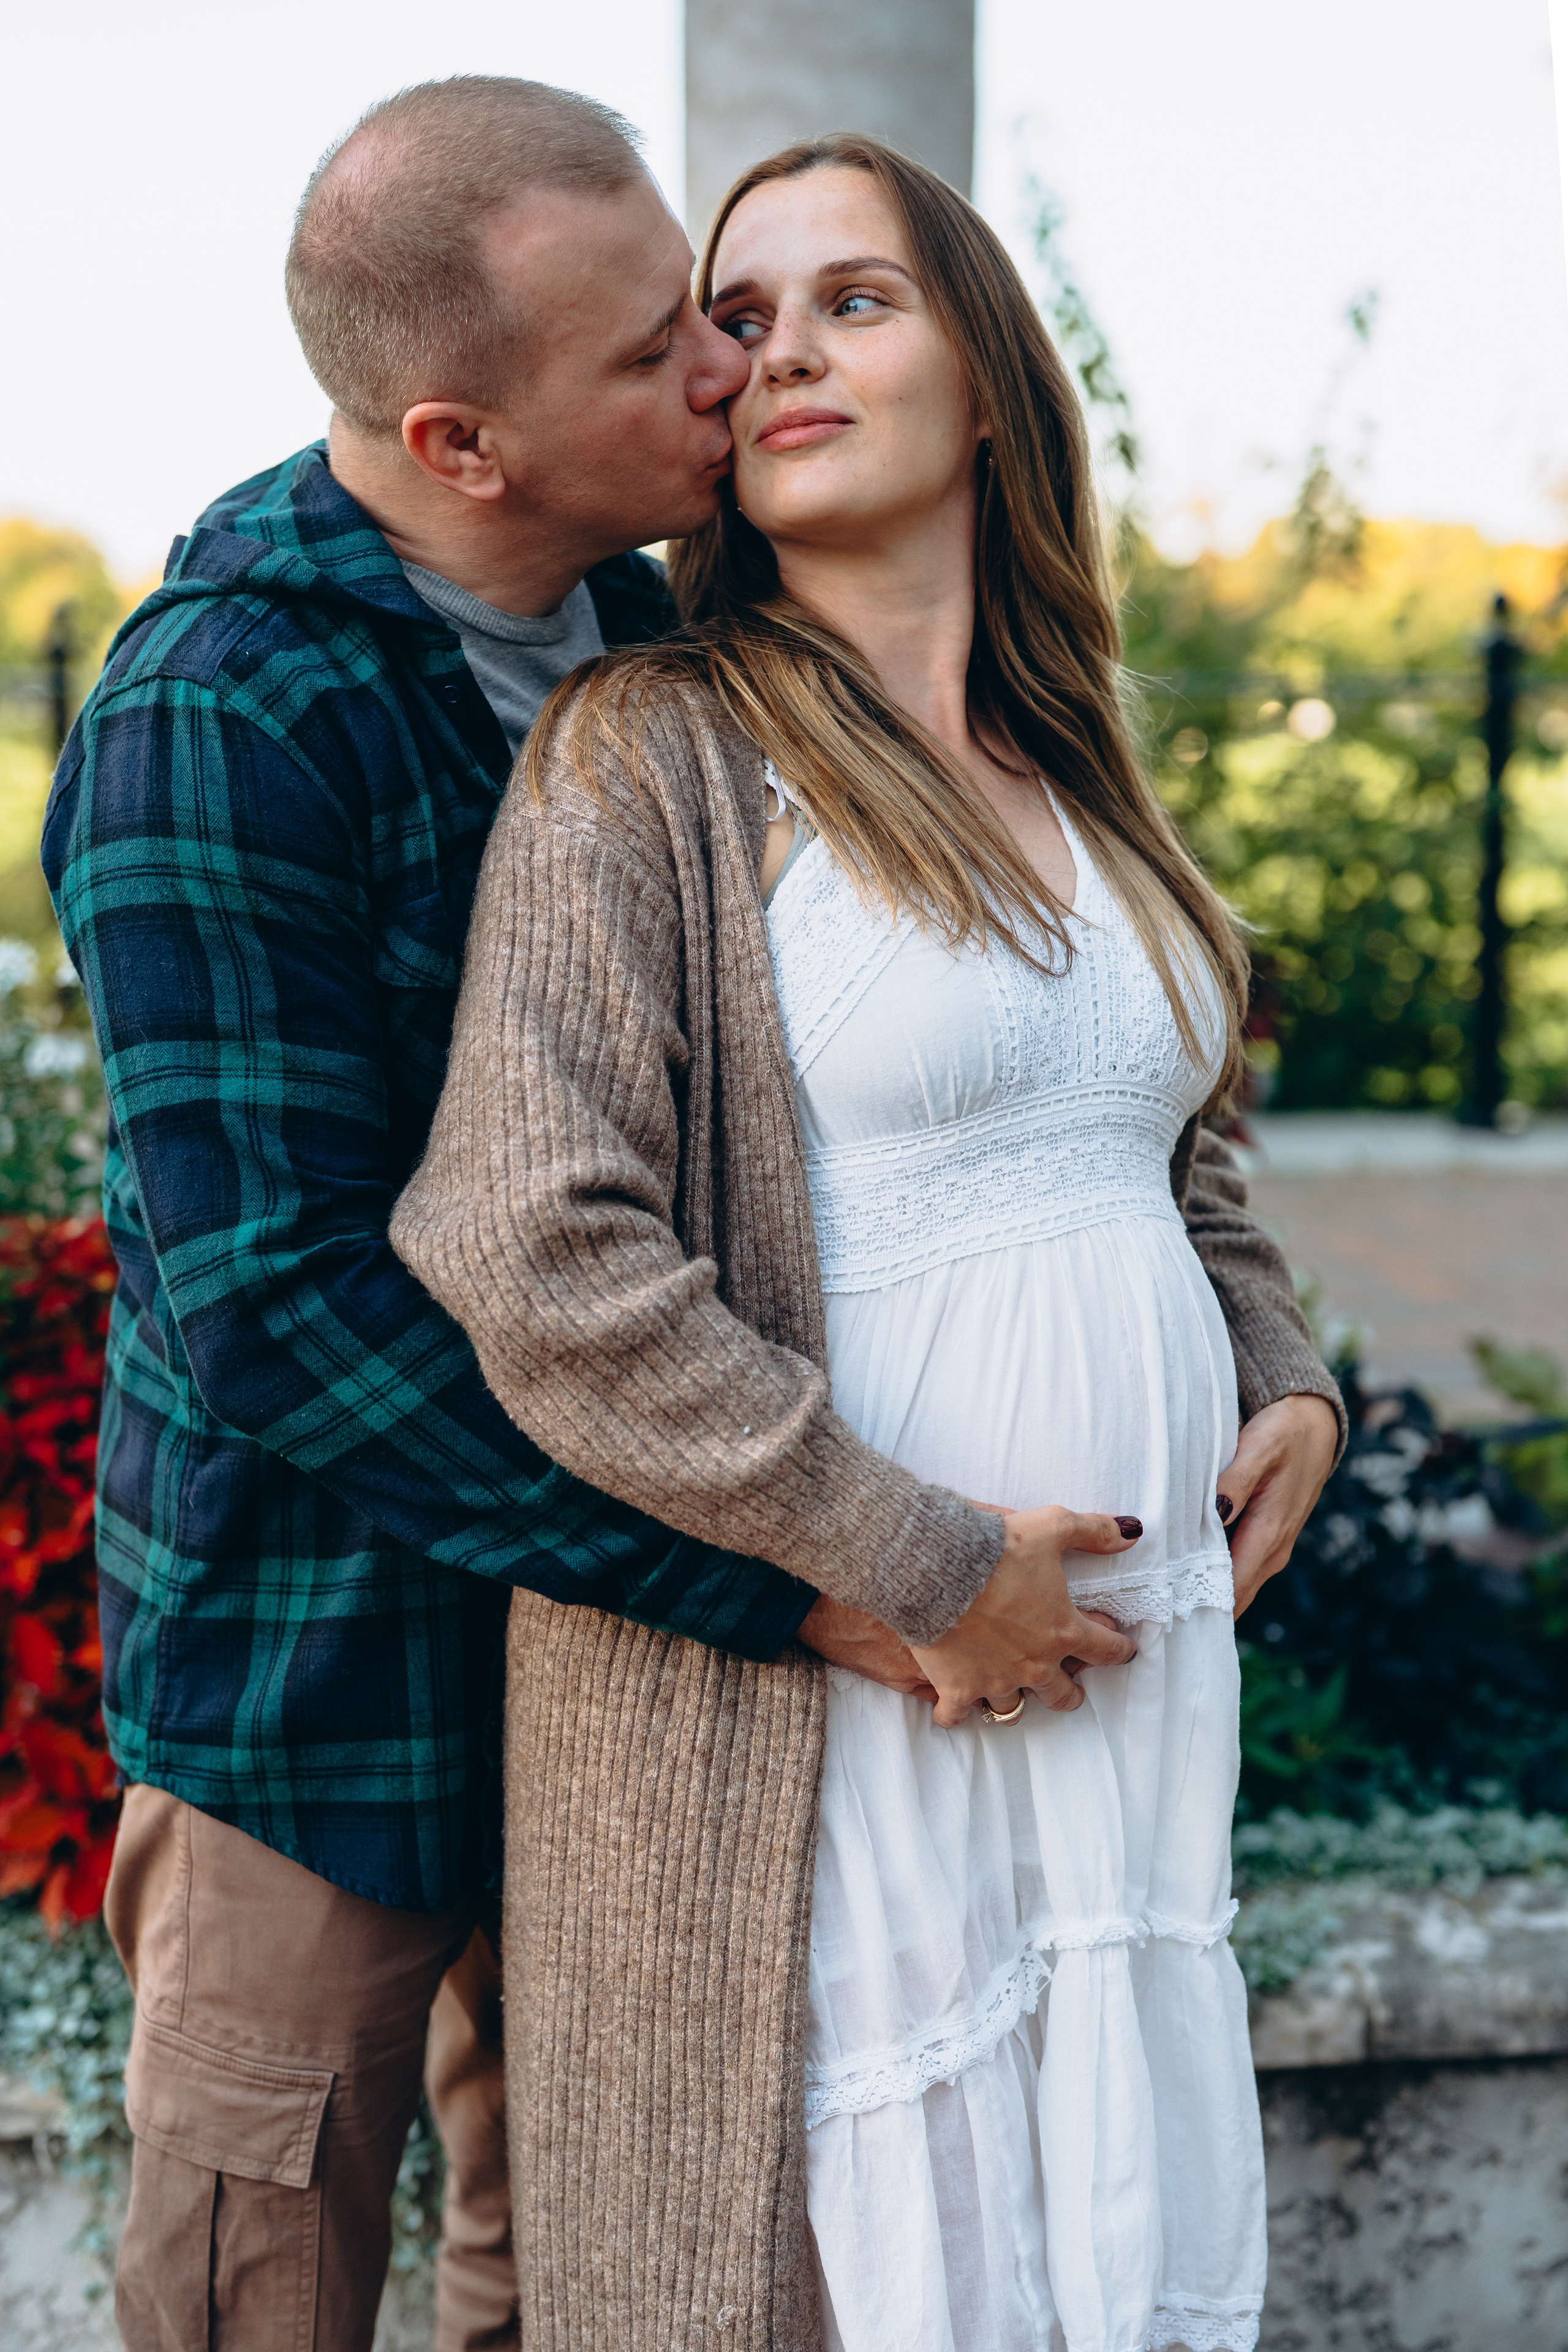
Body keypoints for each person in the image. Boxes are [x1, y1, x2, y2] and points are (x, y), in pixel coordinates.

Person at [40, 77, 997, 2352]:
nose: (725, 368)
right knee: (253, 2286)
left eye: (707, 305)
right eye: (651, 348)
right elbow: (276, 1308)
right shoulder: (219, 719)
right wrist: (782, 1573)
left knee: (575, 2279)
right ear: (462, 442)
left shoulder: (669, 634)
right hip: (324, 1684)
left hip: (617, 1694)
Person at [393, 135, 1344, 2352]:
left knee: (1086, 2235)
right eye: (746, 313)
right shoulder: (650, 757)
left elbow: (1173, 1143)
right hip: (849, 1674)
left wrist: (1281, 1365)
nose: (782, 350)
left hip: (1119, 1669)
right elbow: (530, 1241)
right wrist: (914, 1558)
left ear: (992, 381)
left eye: (857, 300)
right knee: (863, 2260)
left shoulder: (1079, 761)